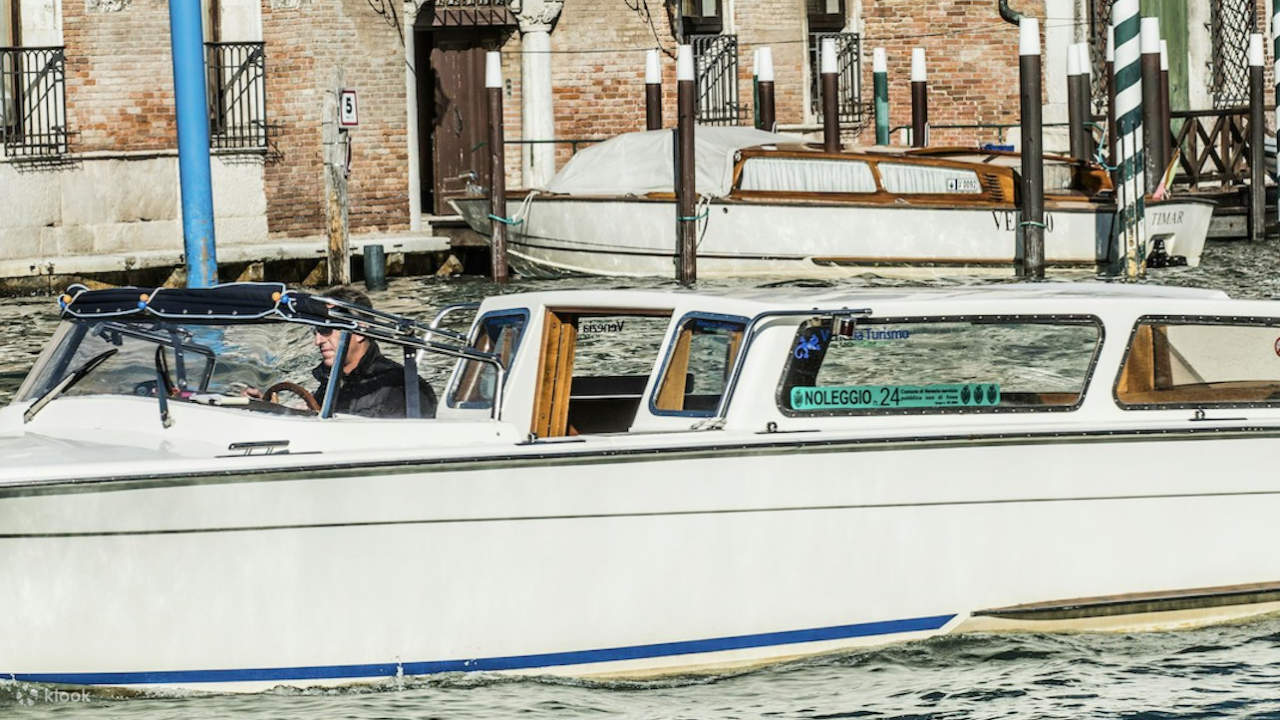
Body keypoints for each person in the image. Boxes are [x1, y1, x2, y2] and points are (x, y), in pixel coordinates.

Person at [309, 286, 438, 419]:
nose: (317, 341)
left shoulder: (398, 389)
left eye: (325, 329)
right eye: (315, 330)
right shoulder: (329, 382)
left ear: (360, 330)